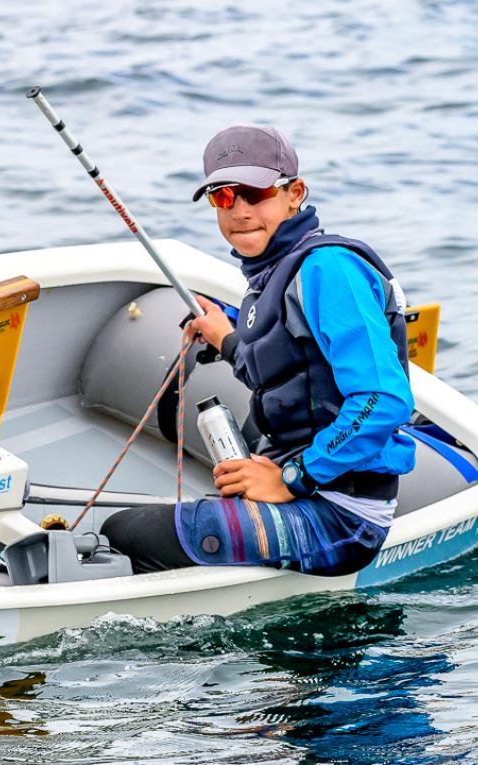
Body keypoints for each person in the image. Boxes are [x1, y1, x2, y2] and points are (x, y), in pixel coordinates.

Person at [101, 124, 416, 576]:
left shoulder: (329, 268)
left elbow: (382, 400)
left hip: (344, 517)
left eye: (256, 192)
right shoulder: (270, 277)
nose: (241, 211)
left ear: (295, 193)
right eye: (224, 197)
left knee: (124, 533)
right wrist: (224, 337)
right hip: (307, 491)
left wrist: (293, 478)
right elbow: (283, 369)